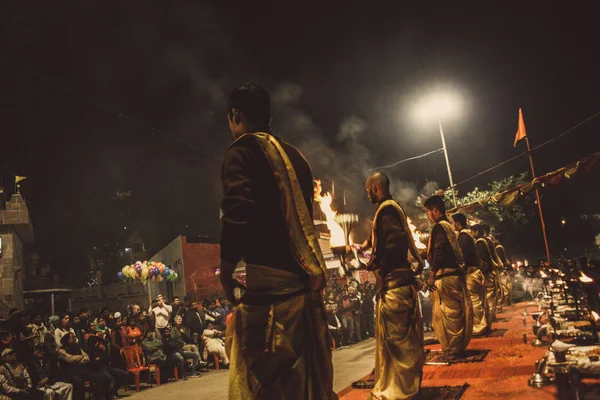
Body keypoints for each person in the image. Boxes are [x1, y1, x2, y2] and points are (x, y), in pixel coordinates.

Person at [219, 82, 336, 399]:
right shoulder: (296, 157)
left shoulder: (242, 151)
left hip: (270, 290)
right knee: (300, 381)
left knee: (264, 380)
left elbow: (237, 210)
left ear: (235, 114)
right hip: (302, 286)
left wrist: (227, 266)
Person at [356, 172, 425, 399]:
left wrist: (382, 272)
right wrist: (362, 247)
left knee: (397, 343)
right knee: (401, 341)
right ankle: (406, 387)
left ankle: (399, 391)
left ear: (375, 187)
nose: (367, 195)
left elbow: (393, 245)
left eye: (368, 190)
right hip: (402, 284)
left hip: (395, 285)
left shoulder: (386, 211)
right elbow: (379, 239)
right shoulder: (392, 210)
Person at [424, 196, 472, 361]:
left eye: (428, 211)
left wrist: (431, 274)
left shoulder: (439, 228)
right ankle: (455, 348)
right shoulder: (449, 227)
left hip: (446, 278)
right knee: (454, 313)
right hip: (454, 276)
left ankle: (452, 349)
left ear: (435, 210)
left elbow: (440, 250)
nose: (428, 215)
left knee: (448, 315)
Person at [452, 214, 490, 337]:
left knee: (475, 302)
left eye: (452, 223)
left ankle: (479, 327)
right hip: (476, 272)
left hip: (471, 274)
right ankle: (484, 324)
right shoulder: (468, 235)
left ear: (457, 224)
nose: (452, 226)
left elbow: (465, 256)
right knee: (480, 301)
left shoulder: (463, 237)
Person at [57, 333, 111, 400]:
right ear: (67, 340)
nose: (75, 339)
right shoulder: (62, 350)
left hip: (82, 372)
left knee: (103, 377)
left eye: (75, 337)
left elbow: (87, 358)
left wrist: (76, 359)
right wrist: (80, 357)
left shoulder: (77, 347)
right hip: (71, 375)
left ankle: (100, 396)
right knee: (79, 382)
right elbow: (69, 359)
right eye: (72, 337)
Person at [473, 224, 499, 321]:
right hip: (490, 270)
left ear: (476, 232)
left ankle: (490, 317)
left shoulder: (480, 242)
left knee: (488, 295)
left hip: (486, 272)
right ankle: (492, 315)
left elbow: (483, 258)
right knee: (491, 295)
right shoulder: (487, 240)